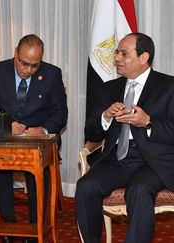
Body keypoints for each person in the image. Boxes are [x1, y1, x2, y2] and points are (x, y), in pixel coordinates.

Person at [76, 32, 174, 243]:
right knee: (86, 186)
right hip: (117, 159)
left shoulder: (169, 86)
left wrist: (148, 122)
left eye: (124, 53)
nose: (117, 58)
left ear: (143, 57)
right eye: (116, 53)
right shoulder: (109, 88)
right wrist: (106, 116)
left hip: (152, 161)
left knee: (138, 190)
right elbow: (91, 132)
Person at [0, 34, 68, 242]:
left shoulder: (52, 74)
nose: (27, 70)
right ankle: (7, 226)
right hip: (6, 137)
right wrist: (5, 125)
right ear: (15, 54)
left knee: (39, 170)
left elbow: (60, 114)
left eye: (34, 66)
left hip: (38, 139)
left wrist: (43, 129)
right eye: (23, 63)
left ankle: (36, 226)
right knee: (0, 167)